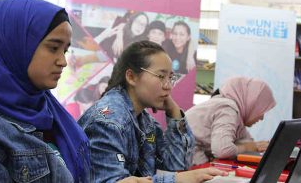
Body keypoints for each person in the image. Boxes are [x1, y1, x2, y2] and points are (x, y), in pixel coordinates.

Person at [0, 0, 90, 182]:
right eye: (53, 47)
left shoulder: (51, 115)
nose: (62, 61)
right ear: (13, 45)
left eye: (65, 50)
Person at [78, 40, 227, 183]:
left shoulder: (145, 120)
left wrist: (174, 112)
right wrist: (176, 180)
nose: (168, 86)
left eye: (170, 78)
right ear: (131, 77)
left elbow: (176, 167)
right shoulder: (108, 122)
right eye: (161, 76)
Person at [185, 77, 276, 165]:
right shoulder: (228, 109)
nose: (261, 118)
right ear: (252, 104)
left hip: (191, 151)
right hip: (184, 151)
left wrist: (258, 146)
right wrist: (250, 147)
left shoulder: (236, 115)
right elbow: (223, 150)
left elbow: (246, 142)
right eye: (261, 111)